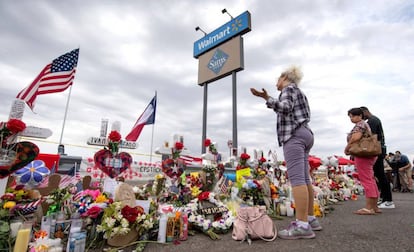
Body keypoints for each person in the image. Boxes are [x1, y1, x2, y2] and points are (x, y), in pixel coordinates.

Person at [251, 65, 320, 239]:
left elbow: (286, 107)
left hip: (294, 135)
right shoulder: (300, 92)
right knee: (305, 179)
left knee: (297, 180)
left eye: (278, 79)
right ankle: (310, 218)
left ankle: (302, 226)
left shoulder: (288, 90)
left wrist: (267, 98)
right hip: (306, 133)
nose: (276, 82)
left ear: (284, 77)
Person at [345, 108, 380, 215]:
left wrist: (347, 147)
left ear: (360, 115)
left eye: (352, 116)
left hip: (362, 155)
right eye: (350, 116)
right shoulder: (365, 124)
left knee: (366, 180)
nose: (351, 118)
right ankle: (374, 206)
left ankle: (369, 208)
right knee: (371, 179)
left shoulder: (360, 124)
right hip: (369, 155)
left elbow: (356, 137)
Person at [360, 106, 394, 209]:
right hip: (379, 149)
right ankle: (384, 198)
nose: (362, 118)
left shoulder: (372, 121)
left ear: (365, 112)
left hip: (377, 150)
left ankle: (388, 200)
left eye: (362, 115)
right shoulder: (374, 119)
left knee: (380, 174)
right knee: (379, 175)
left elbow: (370, 136)